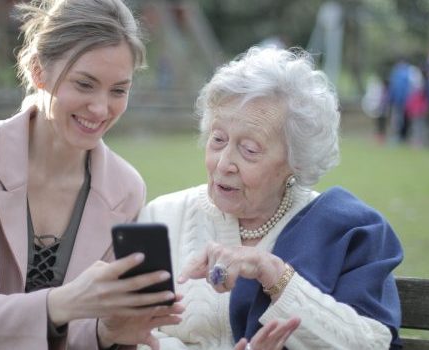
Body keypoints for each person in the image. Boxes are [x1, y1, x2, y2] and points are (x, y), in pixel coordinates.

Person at [0, 0, 184, 349]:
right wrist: (65, 302)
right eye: (84, 84)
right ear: (37, 71)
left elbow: (80, 331)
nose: (101, 108)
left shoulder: (125, 189)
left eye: (119, 90)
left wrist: (103, 333)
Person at [139, 46, 404, 349]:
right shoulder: (161, 217)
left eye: (249, 149)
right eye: (218, 139)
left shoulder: (346, 230)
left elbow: (373, 344)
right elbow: (134, 337)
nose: (224, 163)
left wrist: (275, 274)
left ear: (296, 161)